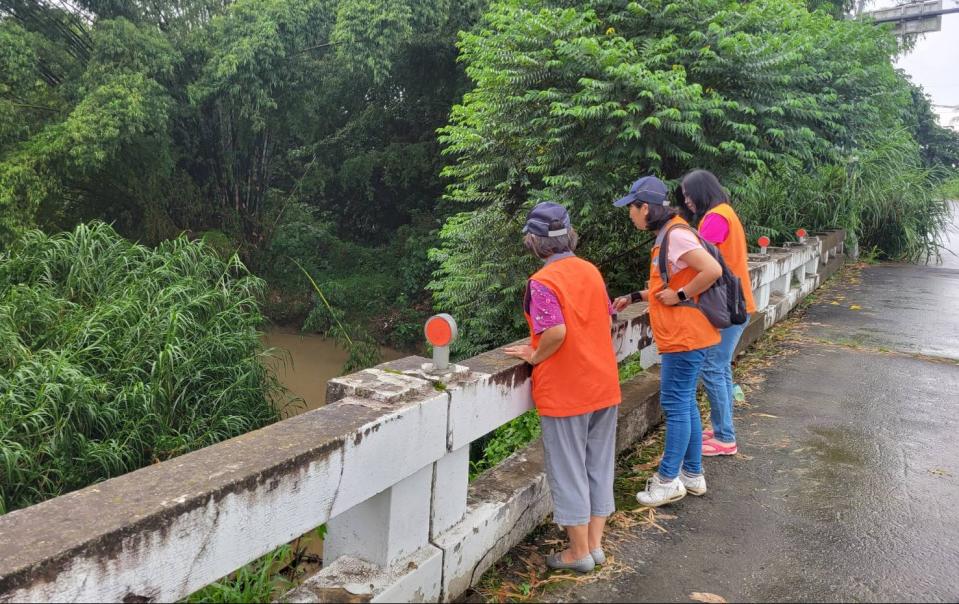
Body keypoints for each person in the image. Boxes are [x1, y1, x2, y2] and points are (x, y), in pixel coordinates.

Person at [504, 201, 621, 573]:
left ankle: (577, 553)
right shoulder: (590, 270)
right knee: (598, 466)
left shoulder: (543, 282)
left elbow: (555, 331)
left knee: (568, 469)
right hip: (602, 383)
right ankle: (595, 546)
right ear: (568, 235)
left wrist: (534, 355)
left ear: (534, 243)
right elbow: (607, 317)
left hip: (567, 390)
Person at [611, 176, 722, 507]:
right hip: (689, 333)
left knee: (675, 405)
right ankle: (692, 474)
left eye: (631, 208)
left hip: (685, 336)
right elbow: (670, 282)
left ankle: (667, 479)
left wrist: (683, 295)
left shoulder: (675, 235)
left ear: (645, 208)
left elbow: (711, 270)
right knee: (685, 403)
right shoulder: (671, 233)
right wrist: (635, 296)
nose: (630, 215)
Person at [680, 169, 756, 457]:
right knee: (720, 368)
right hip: (738, 303)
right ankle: (721, 428)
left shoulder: (714, 219)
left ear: (700, 192)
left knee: (711, 367)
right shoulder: (726, 212)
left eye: (688, 193)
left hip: (725, 307)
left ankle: (725, 437)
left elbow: (701, 262)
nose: (686, 200)